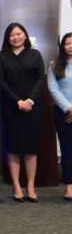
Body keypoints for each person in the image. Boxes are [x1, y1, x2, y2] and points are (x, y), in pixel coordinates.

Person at [0, 22, 45, 202]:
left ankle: (30, 185)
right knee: (13, 147)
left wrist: (30, 101)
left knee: (31, 148)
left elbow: (40, 79)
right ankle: (16, 185)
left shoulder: (35, 54)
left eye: (19, 34)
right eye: (12, 35)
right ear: (7, 38)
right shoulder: (1, 56)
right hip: (10, 107)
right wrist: (17, 101)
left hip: (32, 107)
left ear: (25, 35)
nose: (16, 37)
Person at [47, 32, 72, 201]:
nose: (71, 46)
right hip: (63, 114)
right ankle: (69, 187)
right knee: (68, 151)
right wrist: (69, 109)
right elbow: (53, 89)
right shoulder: (55, 65)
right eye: (67, 43)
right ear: (63, 46)